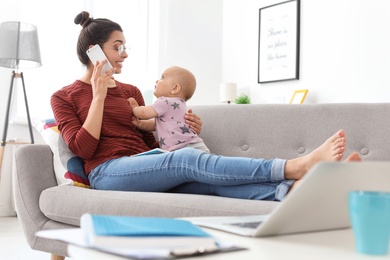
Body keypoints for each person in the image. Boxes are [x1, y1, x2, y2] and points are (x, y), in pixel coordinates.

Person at [51, 11, 361, 202]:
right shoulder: (63, 96)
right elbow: (84, 149)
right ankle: (295, 166)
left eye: (125, 47)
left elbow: (150, 142)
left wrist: (179, 129)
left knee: (205, 182)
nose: (125, 54)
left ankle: (295, 191)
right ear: (94, 52)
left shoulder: (131, 91)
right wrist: (99, 95)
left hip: (146, 166)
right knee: (186, 161)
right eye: (117, 47)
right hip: (107, 173)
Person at [128, 66, 210, 153]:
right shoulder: (180, 104)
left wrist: (134, 107)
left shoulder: (165, 102)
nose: (157, 80)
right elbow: (156, 124)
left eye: (163, 77)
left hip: (185, 148)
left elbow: (143, 113)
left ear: (175, 88)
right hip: (195, 146)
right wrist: (140, 123)